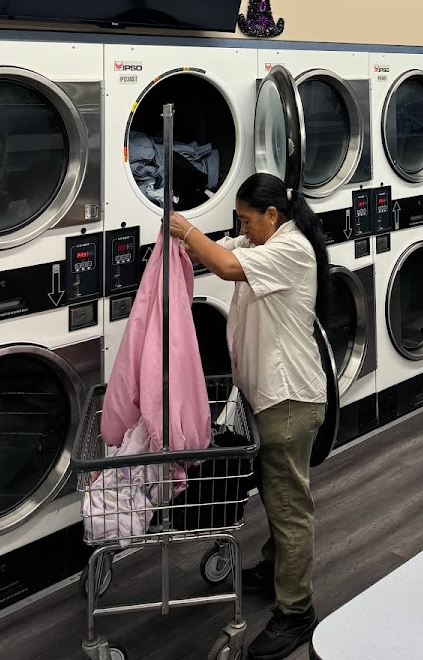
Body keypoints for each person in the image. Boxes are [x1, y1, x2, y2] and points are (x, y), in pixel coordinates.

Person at [169, 173, 330, 660]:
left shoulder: (291, 250)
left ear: (271, 216)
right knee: (275, 490)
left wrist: (184, 230)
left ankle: (297, 612)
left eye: (245, 218)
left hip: (289, 400)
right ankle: (272, 569)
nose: (241, 227)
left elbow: (222, 264)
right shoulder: (262, 237)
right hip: (267, 398)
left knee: (288, 505)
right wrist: (179, 245)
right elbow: (217, 250)